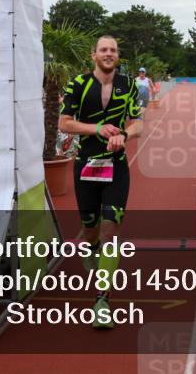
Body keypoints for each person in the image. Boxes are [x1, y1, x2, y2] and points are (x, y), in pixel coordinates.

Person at [58, 35, 141, 329]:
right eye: (103, 50)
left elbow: (138, 123)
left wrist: (124, 135)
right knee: (91, 229)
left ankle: (102, 300)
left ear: (118, 55)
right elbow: (64, 122)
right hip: (86, 167)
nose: (108, 54)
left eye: (113, 50)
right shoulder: (78, 85)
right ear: (94, 55)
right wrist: (97, 129)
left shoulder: (128, 84)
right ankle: (90, 247)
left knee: (110, 228)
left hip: (116, 167)